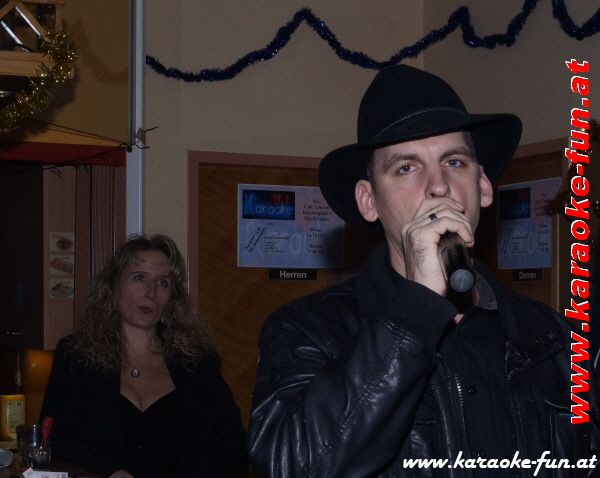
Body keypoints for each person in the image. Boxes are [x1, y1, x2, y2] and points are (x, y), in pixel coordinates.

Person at [247, 65, 600, 477]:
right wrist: (414, 312)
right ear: (369, 201)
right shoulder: (308, 329)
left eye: (454, 161)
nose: (438, 186)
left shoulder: (554, 337)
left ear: (483, 186)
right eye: (406, 168)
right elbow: (294, 467)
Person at [40, 234, 247, 478]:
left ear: (172, 298)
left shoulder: (197, 361)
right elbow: (52, 436)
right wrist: (110, 470)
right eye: (139, 277)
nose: (151, 292)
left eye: (163, 283)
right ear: (113, 286)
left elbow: (231, 446)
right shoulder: (76, 354)